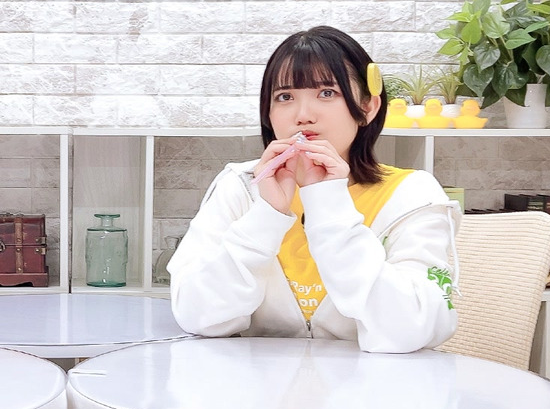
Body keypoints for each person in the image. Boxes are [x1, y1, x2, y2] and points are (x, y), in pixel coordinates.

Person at [168, 26, 460, 353]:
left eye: (327, 93)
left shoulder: (411, 194)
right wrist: (267, 215)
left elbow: (413, 328)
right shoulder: (240, 187)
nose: (303, 116)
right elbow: (198, 316)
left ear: (368, 107)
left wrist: (329, 205)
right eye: (285, 97)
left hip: (373, 383)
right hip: (258, 382)